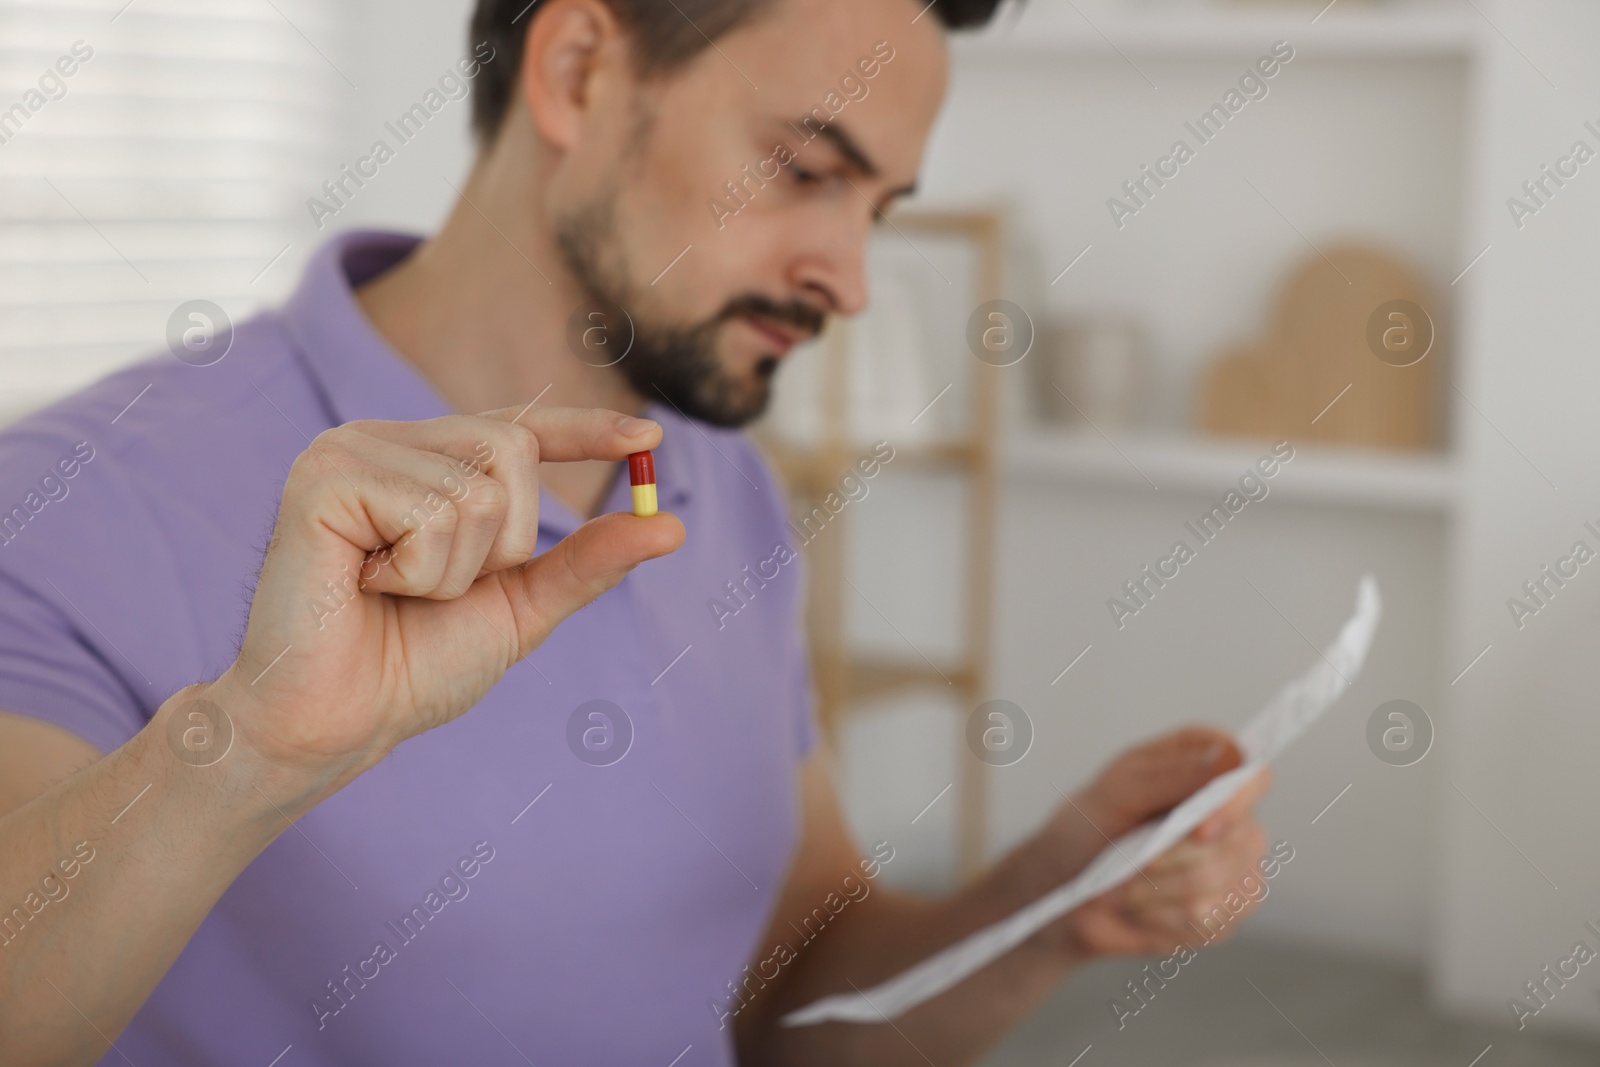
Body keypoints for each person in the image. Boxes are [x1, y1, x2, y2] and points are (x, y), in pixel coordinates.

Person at [0, 0, 1271, 1063]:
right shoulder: (65, 499)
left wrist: (1045, 904)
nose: (851, 278)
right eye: (807, 170)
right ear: (576, 71)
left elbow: (794, 998)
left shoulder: (723, 485)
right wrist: (246, 757)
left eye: (874, 206)